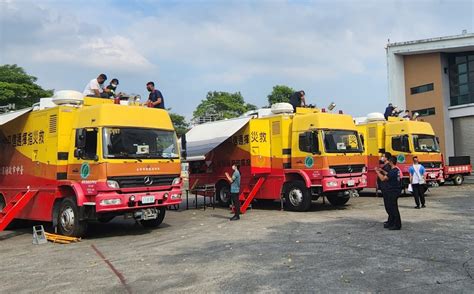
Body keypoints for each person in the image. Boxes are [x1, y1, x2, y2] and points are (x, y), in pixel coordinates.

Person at [375, 156, 402, 230]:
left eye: (389, 161)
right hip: (395, 190)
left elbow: (383, 179)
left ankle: (397, 225)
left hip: (392, 191)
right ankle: (392, 222)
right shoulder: (396, 170)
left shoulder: (393, 171)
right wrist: (382, 171)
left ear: (391, 162)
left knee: (393, 209)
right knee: (392, 207)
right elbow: (388, 174)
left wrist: (377, 172)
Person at [377, 152, 393, 228]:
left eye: (383, 156)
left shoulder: (388, 167)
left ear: (387, 158)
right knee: (387, 205)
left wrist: (378, 172)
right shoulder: (385, 166)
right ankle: (390, 220)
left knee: (389, 205)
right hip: (384, 188)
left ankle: (391, 221)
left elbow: (385, 177)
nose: (381, 157)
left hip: (387, 188)